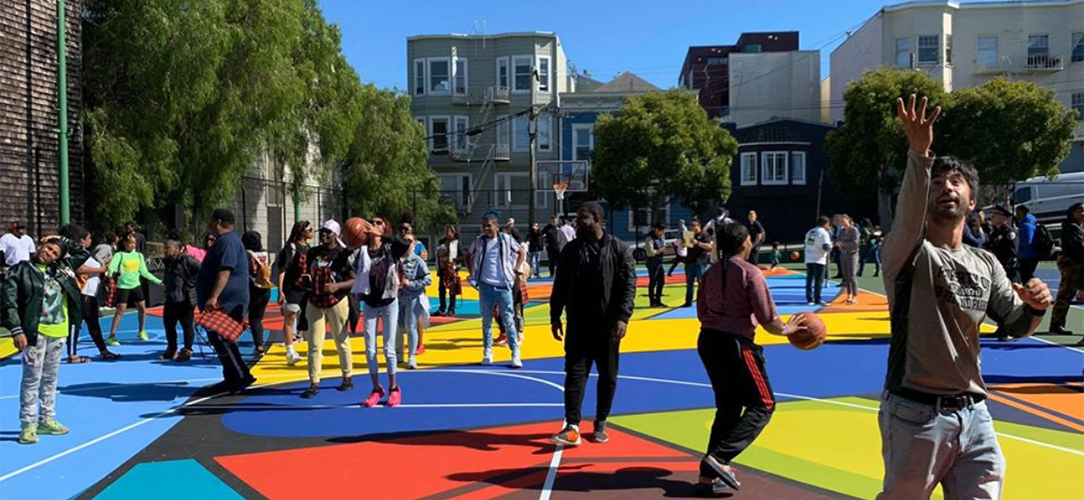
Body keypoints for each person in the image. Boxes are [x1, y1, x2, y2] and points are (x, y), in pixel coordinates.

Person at [878, 95, 1051, 500]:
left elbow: (1015, 323)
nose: (945, 188)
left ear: (972, 200)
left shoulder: (986, 262)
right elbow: (907, 213)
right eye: (937, 182)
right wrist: (919, 153)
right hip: (915, 413)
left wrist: (1037, 307)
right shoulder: (909, 252)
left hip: (975, 413)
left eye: (956, 181)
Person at [694, 222, 807, 493]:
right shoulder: (750, 272)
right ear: (746, 243)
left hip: (708, 340)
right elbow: (769, 319)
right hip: (736, 343)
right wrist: (789, 329)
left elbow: (701, 312)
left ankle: (708, 477)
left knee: (729, 406)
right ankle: (719, 458)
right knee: (764, 404)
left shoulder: (710, 272)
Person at [550, 202, 636, 447]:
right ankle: (572, 425)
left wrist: (623, 317)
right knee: (575, 373)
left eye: (582, 218)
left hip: (608, 326)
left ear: (597, 219)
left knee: (608, 376)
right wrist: (555, 315)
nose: (577, 222)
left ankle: (601, 421)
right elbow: (560, 285)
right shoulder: (571, 250)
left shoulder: (619, 249)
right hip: (578, 323)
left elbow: (628, 287)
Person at [2, 235, 90, 444]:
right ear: (41, 245)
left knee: (50, 379)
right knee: (32, 379)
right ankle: (28, 424)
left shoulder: (62, 268)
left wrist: (62, 239)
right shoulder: (21, 270)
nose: (49, 253)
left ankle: (47, 419)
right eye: (48, 248)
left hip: (58, 332)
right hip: (35, 333)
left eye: (54, 253)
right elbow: (8, 301)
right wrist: (17, 330)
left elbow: (83, 253)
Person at [195, 209, 256, 394]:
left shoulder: (227, 241)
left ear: (218, 221)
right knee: (220, 337)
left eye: (211, 220)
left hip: (226, 300)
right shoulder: (226, 241)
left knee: (222, 337)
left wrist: (213, 297)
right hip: (225, 299)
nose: (209, 224)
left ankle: (240, 375)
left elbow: (225, 270)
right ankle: (231, 376)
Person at [351, 217, 408, 406]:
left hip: (389, 301)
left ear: (384, 227)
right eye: (371, 222)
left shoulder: (391, 248)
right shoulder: (362, 251)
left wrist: (383, 235)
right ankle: (376, 388)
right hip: (370, 303)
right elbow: (342, 264)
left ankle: (394, 388)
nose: (373, 225)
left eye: (378, 222)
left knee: (389, 348)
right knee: (369, 349)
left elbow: (404, 243)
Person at [299, 220, 356, 399]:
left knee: (341, 340)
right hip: (315, 300)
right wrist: (305, 281)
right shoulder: (313, 252)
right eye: (322, 231)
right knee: (314, 344)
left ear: (336, 235)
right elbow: (306, 272)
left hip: (336, 301)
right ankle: (314, 381)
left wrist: (337, 286)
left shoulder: (343, 254)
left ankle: (347, 376)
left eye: (328, 232)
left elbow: (355, 279)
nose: (324, 234)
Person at [468, 211, 527, 368]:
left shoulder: (506, 240)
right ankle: (487, 351)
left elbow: (521, 252)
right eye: (484, 226)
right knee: (486, 320)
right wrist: (472, 271)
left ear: (496, 225)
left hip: (503, 285)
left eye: (488, 226)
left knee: (508, 319)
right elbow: (469, 254)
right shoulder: (479, 241)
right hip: (485, 285)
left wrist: (516, 268)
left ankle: (515, 352)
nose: (486, 229)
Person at [60, 225, 115, 363]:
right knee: (75, 324)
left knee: (93, 324)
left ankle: (103, 351)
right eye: (89, 238)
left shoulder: (84, 254)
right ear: (81, 240)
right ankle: (72, 354)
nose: (91, 240)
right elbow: (78, 268)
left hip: (90, 294)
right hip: (82, 293)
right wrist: (101, 268)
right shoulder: (73, 254)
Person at [106, 234, 163, 344]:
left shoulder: (139, 256)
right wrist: (110, 273)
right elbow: (111, 267)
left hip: (136, 286)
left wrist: (158, 281)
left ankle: (141, 331)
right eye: (130, 243)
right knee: (120, 311)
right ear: (125, 244)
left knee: (142, 309)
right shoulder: (119, 255)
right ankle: (111, 336)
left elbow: (144, 272)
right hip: (123, 287)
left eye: (134, 243)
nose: (132, 245)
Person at [275, 221, 312, 365]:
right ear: (302, 231)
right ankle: (290, 351)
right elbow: (282, 270)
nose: (312, 232)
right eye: (310, 229)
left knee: (308, 318)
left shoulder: (309, 248)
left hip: (306, 289)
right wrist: (280, 290)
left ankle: (311, 349)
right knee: (289, 319)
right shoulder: (290, 248)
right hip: (292, 289)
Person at [161, 239, 200, 361]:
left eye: (168, 248)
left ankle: (187, 350)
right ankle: (172, 349)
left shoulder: (186, 260)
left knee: (187, 325)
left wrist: (190, 283)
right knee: (168, 324)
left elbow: (201, 270)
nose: (165, 250)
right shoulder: (168, 262)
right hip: (171, 297)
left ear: (177, 249)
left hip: (186, 298)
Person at [398, 232, 432, 369]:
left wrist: (411, 284)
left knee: (410, 326)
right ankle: (398, 353)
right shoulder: (395, 259)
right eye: (404, 240)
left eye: (409, 241)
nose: (407, 243)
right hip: (398, 297)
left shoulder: (417, 261)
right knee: (397, 327)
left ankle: (411, 355)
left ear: (414, 244)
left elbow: (428, 279)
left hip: (413, 297)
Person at [1050, 202, 1084, 338]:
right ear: (1073, 213)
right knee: (1066, 293)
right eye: (1080, 211)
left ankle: (1056, 323)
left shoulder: (1080, 226)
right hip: (1072, 265)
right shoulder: (1071, 226)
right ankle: (1056, 324)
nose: (1083, 213)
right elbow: (1080, 246)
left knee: (1066, 293)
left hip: (1079, 265)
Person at [242, 231, 273, 358]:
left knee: (237, 316)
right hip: (265, 288)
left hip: (250, 288)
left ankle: (228, 341)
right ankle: (259, 346)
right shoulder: (266, 253)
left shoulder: (245, 254)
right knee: (256, 319)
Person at [682, 220, 713, 308]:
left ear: (698, 226)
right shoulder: (689, 235)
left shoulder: (704, 235)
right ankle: (688, 301)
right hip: (689, 262)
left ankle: (704, 301)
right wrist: (684, 243)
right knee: (689, 283)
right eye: (691, 226)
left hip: (700, 262)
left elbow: (710, 247)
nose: (692, 227)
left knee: (702, 283)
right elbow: (684, 246)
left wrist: (698, 243)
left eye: (694, 225)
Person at [985, 205, 1019, 284]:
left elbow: (1012, 252)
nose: (992, 217)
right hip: (996, 269)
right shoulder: (994, 233)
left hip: (1007, 270)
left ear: (1003, 217)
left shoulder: (1009, 233)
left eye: (995, 214)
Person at [804, 216, 833, 306]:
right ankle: (817, 298)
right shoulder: (824, 233)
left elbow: (806, 242)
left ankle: (809, 298)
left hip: (809, 257)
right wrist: (832, 246)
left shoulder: (810, 231)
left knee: (809, 279)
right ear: (825, 224)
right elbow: (826, 247)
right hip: (819, 258)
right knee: (818, 280)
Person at [435, 225, 461, 317]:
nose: (446, 233)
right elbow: (438, 255)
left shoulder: (456, 243)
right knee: (441, 289)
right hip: (442, 269)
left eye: (448, 232)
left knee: (452, 290)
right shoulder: (441, 242)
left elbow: (462, 256)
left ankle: (451, 309)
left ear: (453, 233)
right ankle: (442, 308)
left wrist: (455, 260)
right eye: (445, 232)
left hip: (452, 269)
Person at [837, 215, 861, 305]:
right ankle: (849, 294)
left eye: (843, 221)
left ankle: (855, 296)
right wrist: (839, 245)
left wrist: (842, 244)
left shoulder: (854, 230)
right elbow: (838, 241)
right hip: (843, 255)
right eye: (841, 222)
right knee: (846, 276)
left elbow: (855, 244)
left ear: (848, 220)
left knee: (852, 275)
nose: (842, 223)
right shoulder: (841, 231)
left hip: (852, 255)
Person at [645, 222, 668, 307]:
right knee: (653, 281)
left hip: (659, 261)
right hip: (652, 262)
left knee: (661, 281)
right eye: (661, 231)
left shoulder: (661, 237)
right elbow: (649, 252)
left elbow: (664, 245)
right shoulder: (650, 238)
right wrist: (660, 251)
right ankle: (652, 301)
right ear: (656, 229)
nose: (662, 233)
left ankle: (658, 300)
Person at [1015, 205, 1040, 283]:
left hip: (1027, 255)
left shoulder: (1026, 225)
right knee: (1027, 276)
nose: (1016, 214)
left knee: (1026, 277)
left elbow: (1028, 240)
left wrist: (1019, 248)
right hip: (1029, 254)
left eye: (1018, 212)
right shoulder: (1031, 222)